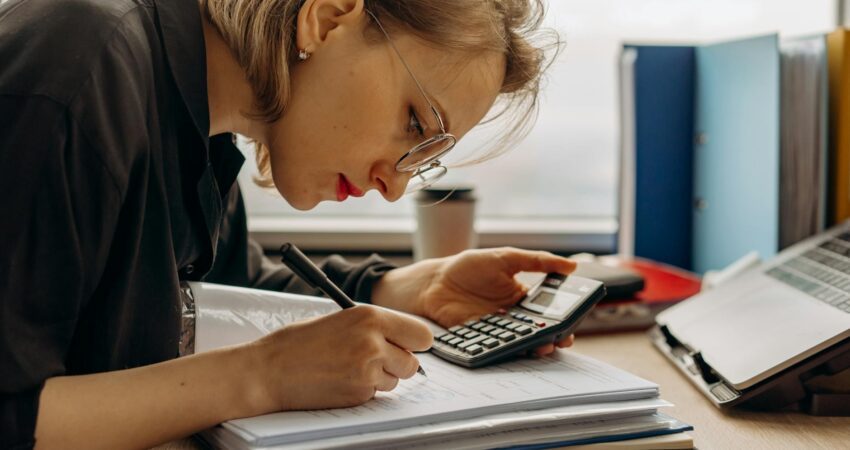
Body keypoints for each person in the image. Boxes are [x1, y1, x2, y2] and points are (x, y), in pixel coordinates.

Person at [0, 0, 578, 448]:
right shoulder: (80, 67)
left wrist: (398, 289)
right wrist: (261, 377)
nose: (395, 184)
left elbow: (222, 287)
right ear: (328, 19)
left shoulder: (203, 122)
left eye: (427, 156)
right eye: (414, 121)